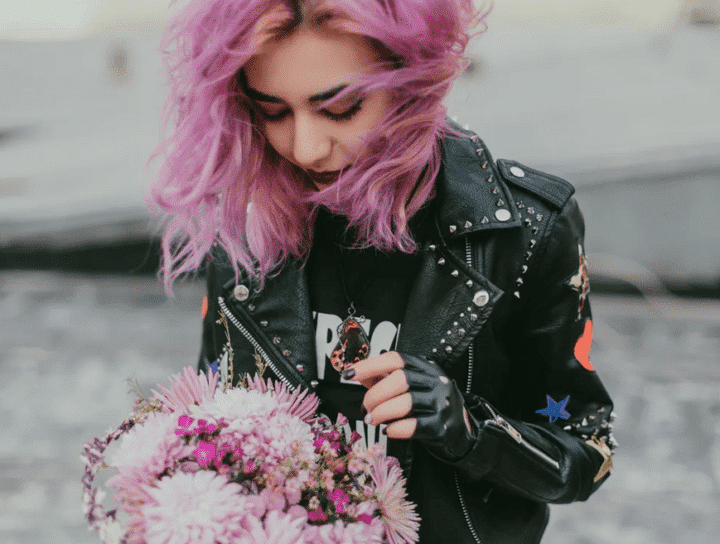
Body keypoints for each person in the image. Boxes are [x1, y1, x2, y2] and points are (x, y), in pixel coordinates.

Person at [147, 0, 617, 542]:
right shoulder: (247, 224)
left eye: (341, 108)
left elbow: (586, 451)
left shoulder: (524, 230)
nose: (305, 146)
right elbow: (208, 421)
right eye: (273, 111)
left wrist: (470, 430)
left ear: (412, 80)